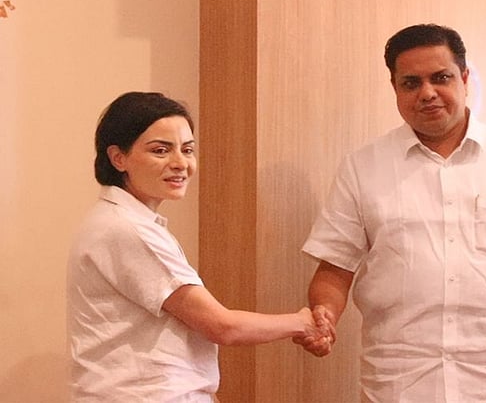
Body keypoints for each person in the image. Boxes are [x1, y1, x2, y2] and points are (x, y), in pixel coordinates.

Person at [296, 24, 486, 402]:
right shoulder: (363, 168)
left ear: (464, 78)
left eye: (440, 78)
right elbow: (335, 270)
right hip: (398, 388)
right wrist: (324, 314)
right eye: (411, 83)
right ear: (394, 88)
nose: (427, 93)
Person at [67, 92, 328, 402]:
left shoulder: (124, 222)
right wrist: (301, 322)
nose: (180, 164)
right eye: (161, 150)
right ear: (118, 158)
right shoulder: (126, 229)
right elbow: (222, 326)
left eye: (187, 150)